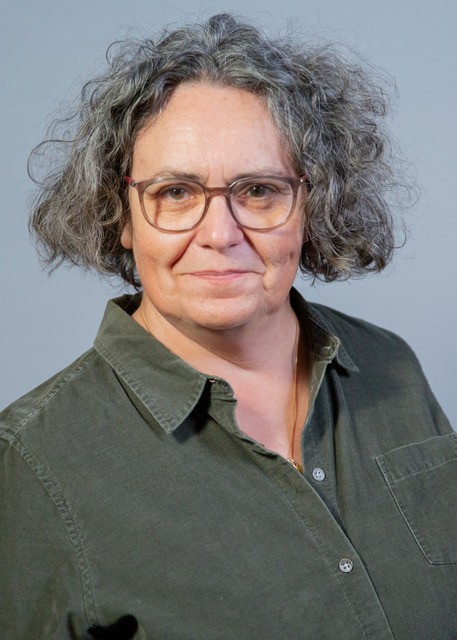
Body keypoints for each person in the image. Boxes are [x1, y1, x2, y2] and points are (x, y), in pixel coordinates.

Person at [1, 12, 456, 640]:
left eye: (260, 191)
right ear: (121, 216)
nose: (219, 233)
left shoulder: (390, 366)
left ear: (312, 205)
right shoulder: (32, 462)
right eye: (175, 193)